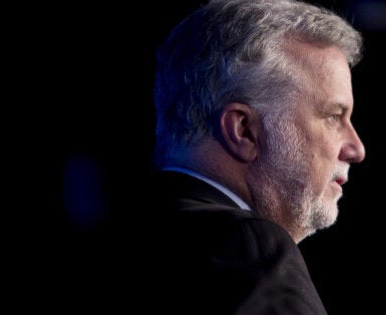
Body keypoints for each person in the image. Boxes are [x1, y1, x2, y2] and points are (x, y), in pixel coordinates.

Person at [105, 0, 366, 313]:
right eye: (333, 116)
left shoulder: (116, 230)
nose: (356, 148)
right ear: (243, 131)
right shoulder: (247, 245)